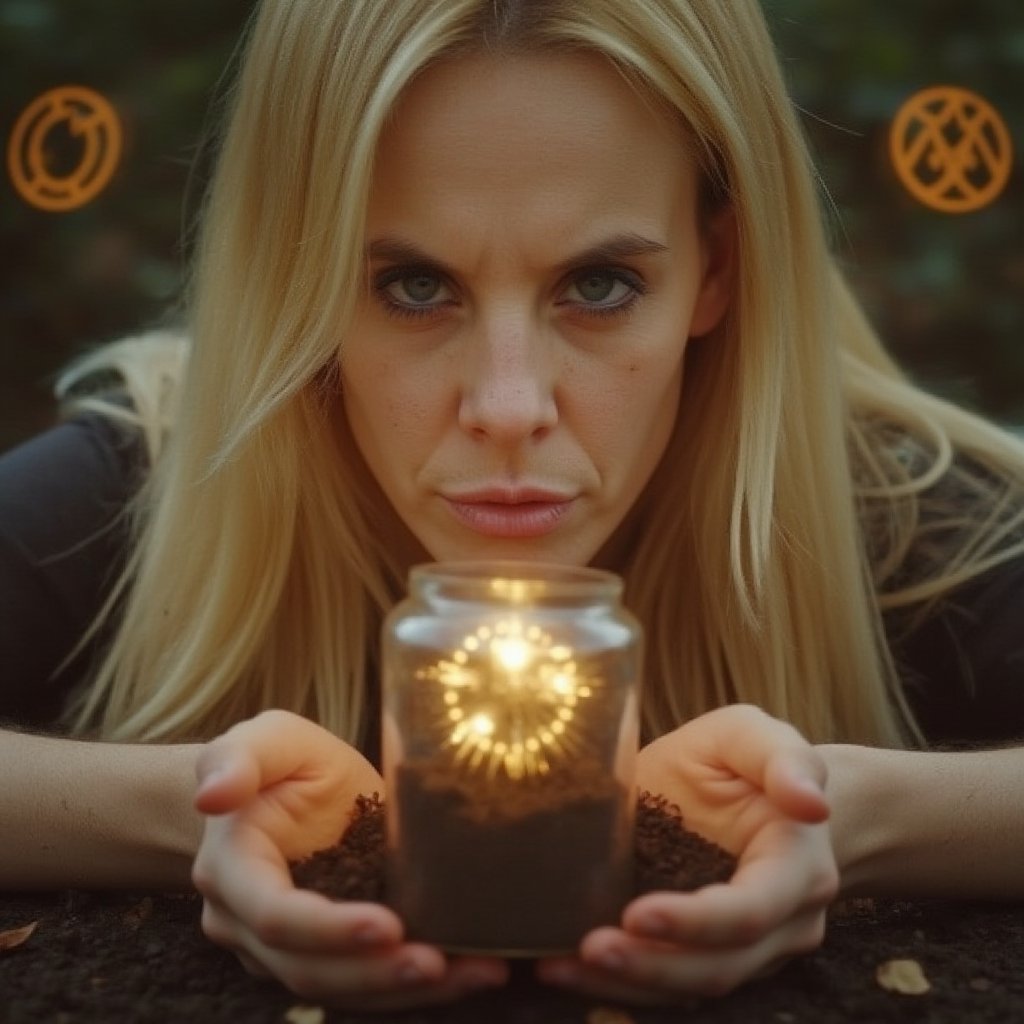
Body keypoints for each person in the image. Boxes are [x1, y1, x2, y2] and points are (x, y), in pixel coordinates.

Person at [2, 0, 1023, 1010]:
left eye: (600, 282)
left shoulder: (894, 508)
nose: (507, 406)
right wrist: (199, 810)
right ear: (294, 274)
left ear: (716, 267)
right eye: (411, 285)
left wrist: (850, 814)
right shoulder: (152, 483)